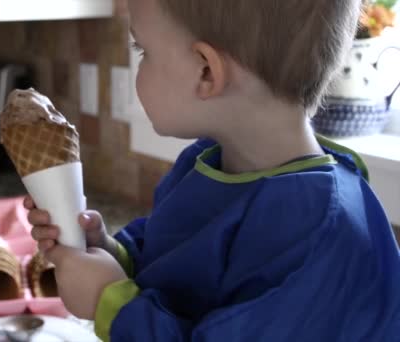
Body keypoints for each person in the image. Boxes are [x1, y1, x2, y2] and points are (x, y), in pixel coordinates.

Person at [26, 0, 400, 340]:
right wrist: (109, 252)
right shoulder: (207, 162)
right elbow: (177, 272)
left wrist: (111, 303)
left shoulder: (316, 232)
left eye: (144, 51)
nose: (138, 64)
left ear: (206, 71)